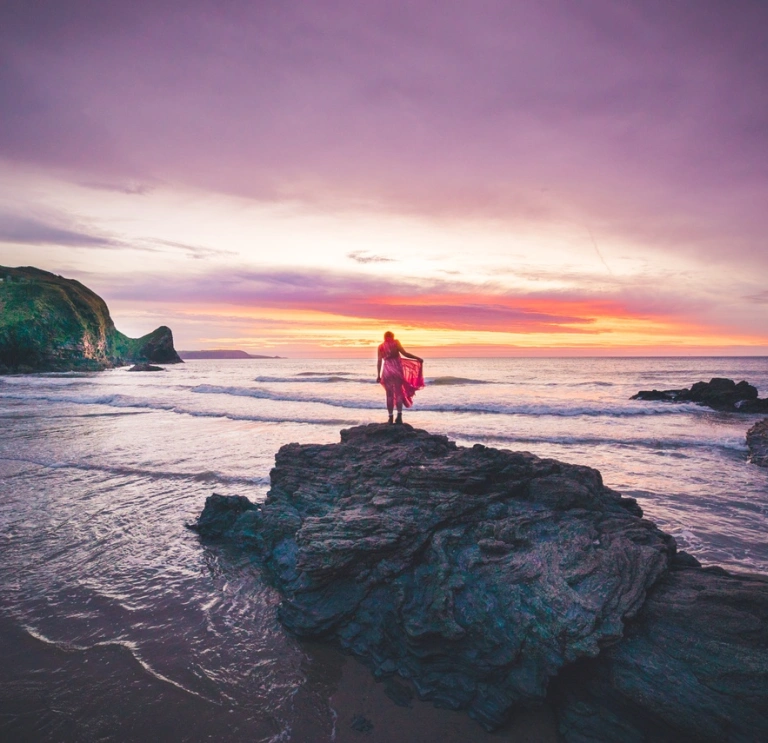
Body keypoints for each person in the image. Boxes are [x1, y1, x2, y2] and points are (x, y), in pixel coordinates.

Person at [376, 331, 424, 424]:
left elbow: (379, 361)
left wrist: (378, 375)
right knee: (398, 394)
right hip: (397, 370)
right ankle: (399, 417)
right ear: (393, 337)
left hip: (387, 371)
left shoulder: (381, 346)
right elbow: (405, 353)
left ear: (384, 337)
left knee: (389, 395)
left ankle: (390, 418)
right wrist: (417, 358)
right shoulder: (396, 342)